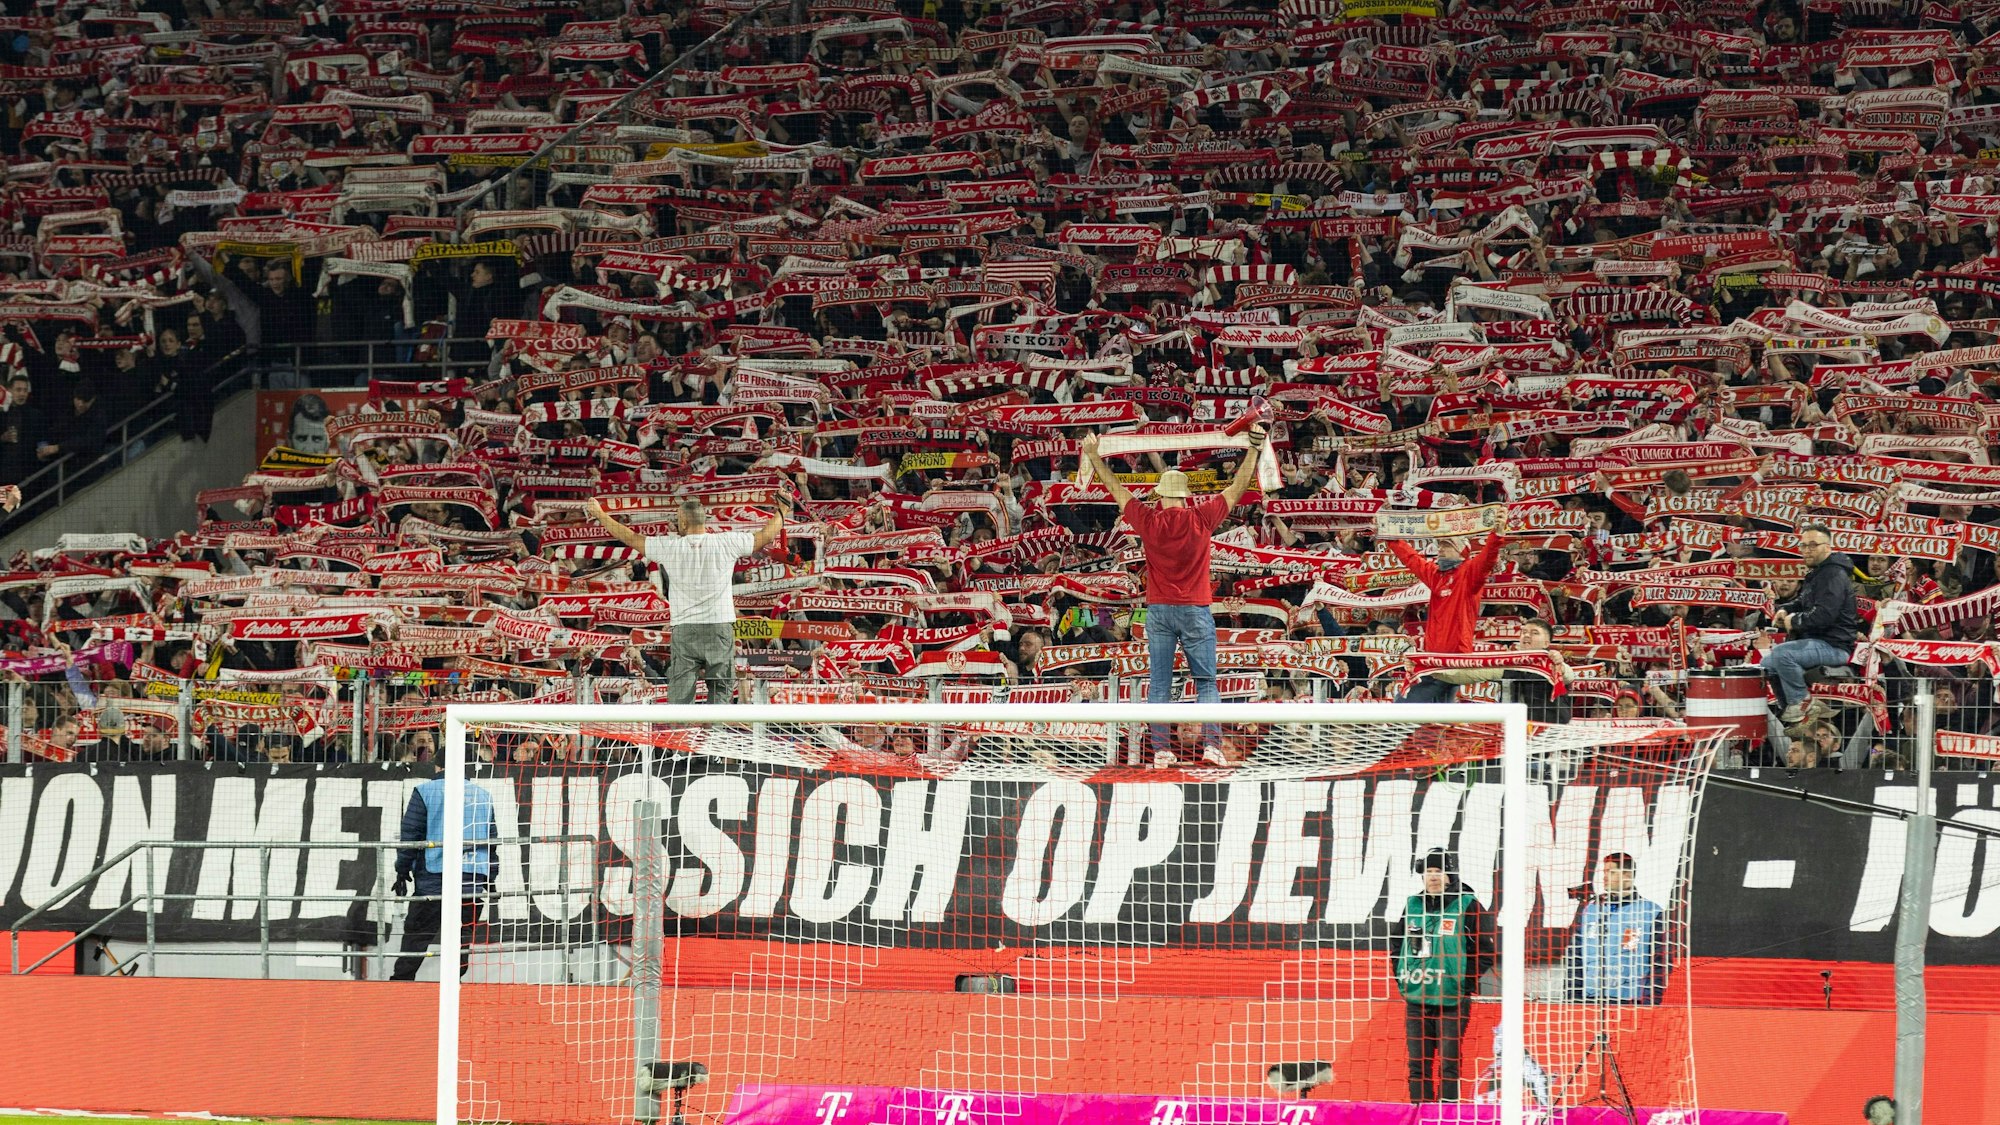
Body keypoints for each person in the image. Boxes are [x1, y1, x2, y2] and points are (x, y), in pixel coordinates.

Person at [1077, 423, 1267, 767]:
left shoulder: (1149, 520)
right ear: (1186, 495)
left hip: (1160, 611)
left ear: (1161, 494)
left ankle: (1162, 751)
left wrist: (1093, 455)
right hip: (1196, 609)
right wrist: (1252, 451)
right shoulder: (1202, 517)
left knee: (1159, 685)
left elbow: (1115, 489)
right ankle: (1212, 746)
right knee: (1207, 683)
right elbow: (1238, 487)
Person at [586, 494, 790, 705]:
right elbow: (764, 536)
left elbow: (630, 537)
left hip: (685, 630)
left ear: (683, 521)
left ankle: (681, 733)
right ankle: (713, 734)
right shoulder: (727, 542)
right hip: (718, 628)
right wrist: (783, 511)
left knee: (681, 697)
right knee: (720, 693)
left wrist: (601, 515)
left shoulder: (671, 547)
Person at [1393, 848, 1497, 1104]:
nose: (1433, 877)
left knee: (1449, 1066)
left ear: (1450, 875)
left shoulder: (1468, 904)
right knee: (1418, 1066)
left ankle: (1447, 1117)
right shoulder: (1412, 905)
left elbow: (1486, 951)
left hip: (1452, 1001)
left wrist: (1464, 984)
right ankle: (1420, 1115)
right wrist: (1404, 981)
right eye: (1428, 871)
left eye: (1438, 871)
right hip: (1417, 1000)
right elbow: (1397, 946)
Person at [391, 762, 498, 981]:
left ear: (438, 765)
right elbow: (492, 840)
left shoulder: (425, 791)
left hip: (433, 874)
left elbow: (411, 834)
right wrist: (491, 875)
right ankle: (454, 983)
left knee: (418, 933)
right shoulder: (483, 795)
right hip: (472, 876)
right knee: (462, 935)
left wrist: (402, 869)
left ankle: (401, 983)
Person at [1388, 522, 1507, 703]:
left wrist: (1497, 535)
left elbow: (1487, 558)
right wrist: (1390, 536)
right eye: (1440, 545)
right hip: (1433, 658)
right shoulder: (1436, 575)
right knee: (1437, 716)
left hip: (1452, 659)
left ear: (1461, 551)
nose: (1440, 550)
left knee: (1403, 705)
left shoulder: (1469, 573)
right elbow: (1412, 559)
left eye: (1447, 546)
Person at [1764, 524, 1860, 723]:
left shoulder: (1833, 575)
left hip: (1834, 645)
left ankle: (1802, 703)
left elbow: (1824, 615)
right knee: (1766, 664)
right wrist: (1786, 609)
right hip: (1816, 643)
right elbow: (1803, 602)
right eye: (1803, 545)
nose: (1806, 550)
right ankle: (1792, 709)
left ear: (1828, 547)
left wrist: (1795, 621)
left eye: (1813, 545)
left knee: (1783, 654)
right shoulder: (1819, 573)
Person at [1564, 852, 1667, 1004]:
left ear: (1627, 875)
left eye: (1611, 872)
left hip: (1630, 1001)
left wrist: (1651, 1000)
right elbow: (1575, 957)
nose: (1604, 877)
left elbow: (1661, 963)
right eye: (1604, 872)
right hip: (1589, 999)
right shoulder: (1590, 911)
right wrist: (1573, 998)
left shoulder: (1651, 913)